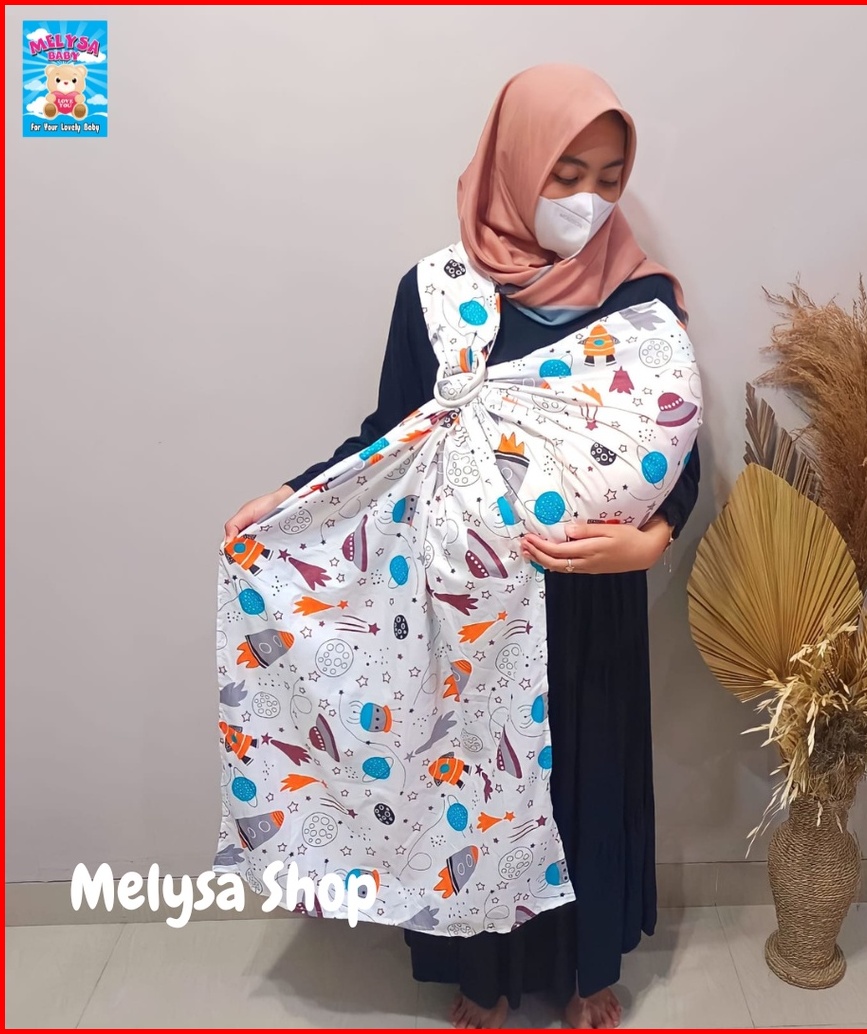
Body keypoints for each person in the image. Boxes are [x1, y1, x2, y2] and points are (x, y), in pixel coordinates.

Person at [224, 64, 701, 1030]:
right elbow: (395, 430)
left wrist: (654, 541)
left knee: (578, 776)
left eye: (610, 178)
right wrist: (296, 494)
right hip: (460, 602)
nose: (588, 200)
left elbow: (675, 431)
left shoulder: (637, 294)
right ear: (514, 162)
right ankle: (482, 976)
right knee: (468, 782)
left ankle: (584, 969)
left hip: (586, 595)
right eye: (566, 173)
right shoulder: (438, 290)